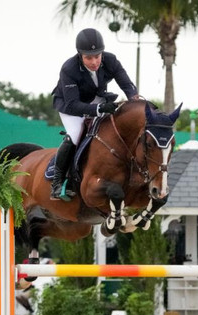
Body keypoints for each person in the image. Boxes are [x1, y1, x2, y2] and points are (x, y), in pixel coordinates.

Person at [49, 27, 139, 200]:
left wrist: (135, 99)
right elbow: (74, 104)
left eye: (97, 56)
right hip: (70, 105)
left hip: (95, 99)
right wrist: (98, 109)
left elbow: (126, 84)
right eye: (88, 58)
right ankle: (57, 183)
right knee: (75, 134)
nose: (94, 62)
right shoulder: (69, 68)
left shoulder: (110, 60)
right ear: (80, 55)